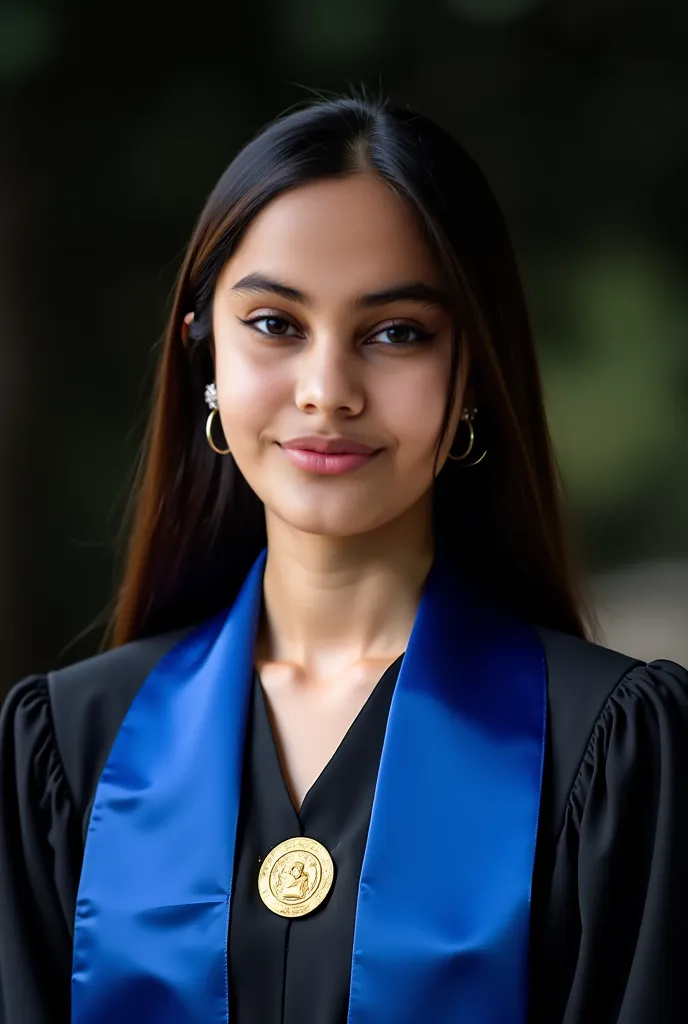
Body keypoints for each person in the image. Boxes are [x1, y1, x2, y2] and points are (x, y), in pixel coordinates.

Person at [0, 93, 686, 1024]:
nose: (327, 392)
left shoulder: (611, 753)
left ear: (473, 368)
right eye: (275, 324)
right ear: (202, 349)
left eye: (396, 332)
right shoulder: (69, 752)